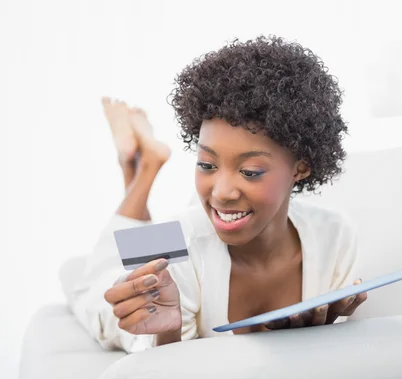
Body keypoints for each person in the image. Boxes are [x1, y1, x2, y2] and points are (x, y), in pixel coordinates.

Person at [69, 35, 367, 353]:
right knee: (92, 279)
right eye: (207, 165)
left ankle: (141, 160)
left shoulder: (335, 236)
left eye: (250, 171)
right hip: (179, 237)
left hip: (203, 227)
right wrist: (166, 331)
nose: (222, 192)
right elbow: (161, 370)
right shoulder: (172, 248)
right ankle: (144, 170)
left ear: (301, 167)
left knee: (155, 235)